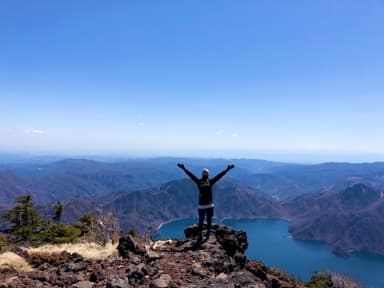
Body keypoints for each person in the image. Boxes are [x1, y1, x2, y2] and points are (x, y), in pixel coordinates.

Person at [177, 163, 235, 241]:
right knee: (209, 219)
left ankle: (200, 234)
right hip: (210, 204)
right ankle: (208, 233)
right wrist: (227, 169)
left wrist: (184, 168)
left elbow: (191, 175)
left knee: (201, 220)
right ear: (208, 175)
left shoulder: (199, 181)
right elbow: (219, 176)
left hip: (201, 205)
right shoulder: (210, 182)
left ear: (202, 174)